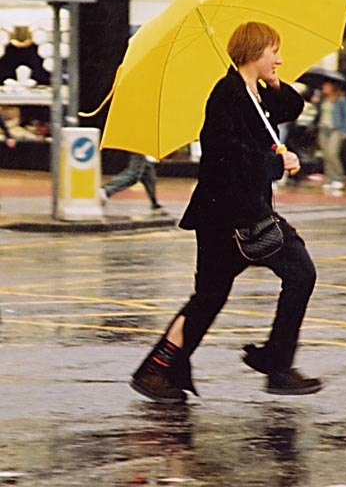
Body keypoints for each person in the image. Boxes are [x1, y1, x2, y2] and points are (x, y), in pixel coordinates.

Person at [130, 21, 321, 404]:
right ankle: (276, 362)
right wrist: (276, 162)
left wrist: (272, 83)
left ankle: (156, 370)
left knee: (209, 297)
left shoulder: (254, 94)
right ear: (253, 51)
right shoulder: (228, 94)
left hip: (225, 216)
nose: (280, 59)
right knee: (300, 271)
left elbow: (292, 107)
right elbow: (226, 155)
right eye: (273, 52)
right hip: (236, 217)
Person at [317, 79, 346, 190]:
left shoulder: (340, 100)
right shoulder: (323, 99)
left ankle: (338, 177)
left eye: (326, 86)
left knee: (332, 153)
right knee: (326, 155)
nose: (324, 88)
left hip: (335, 129)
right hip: (323, 128)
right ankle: (329, 178)